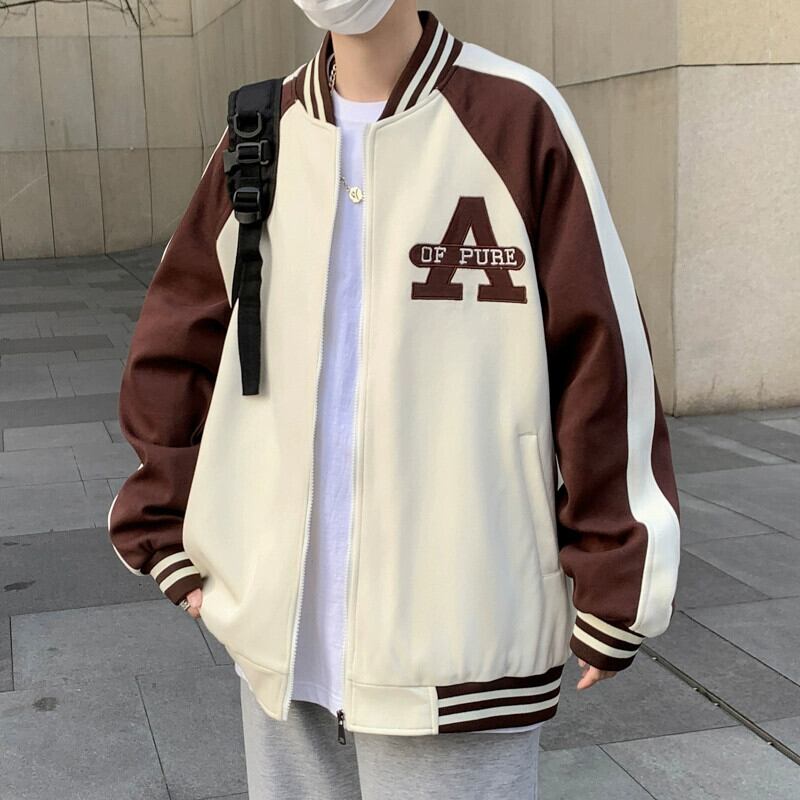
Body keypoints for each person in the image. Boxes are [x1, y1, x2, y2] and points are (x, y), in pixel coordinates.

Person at [107, 1, 681, 797]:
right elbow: (178, 340)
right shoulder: (260, 133)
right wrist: (163, 522)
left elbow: (601, 356)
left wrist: (619, 566)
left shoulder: (514, 118)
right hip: (280, 639)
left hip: (460, 642)